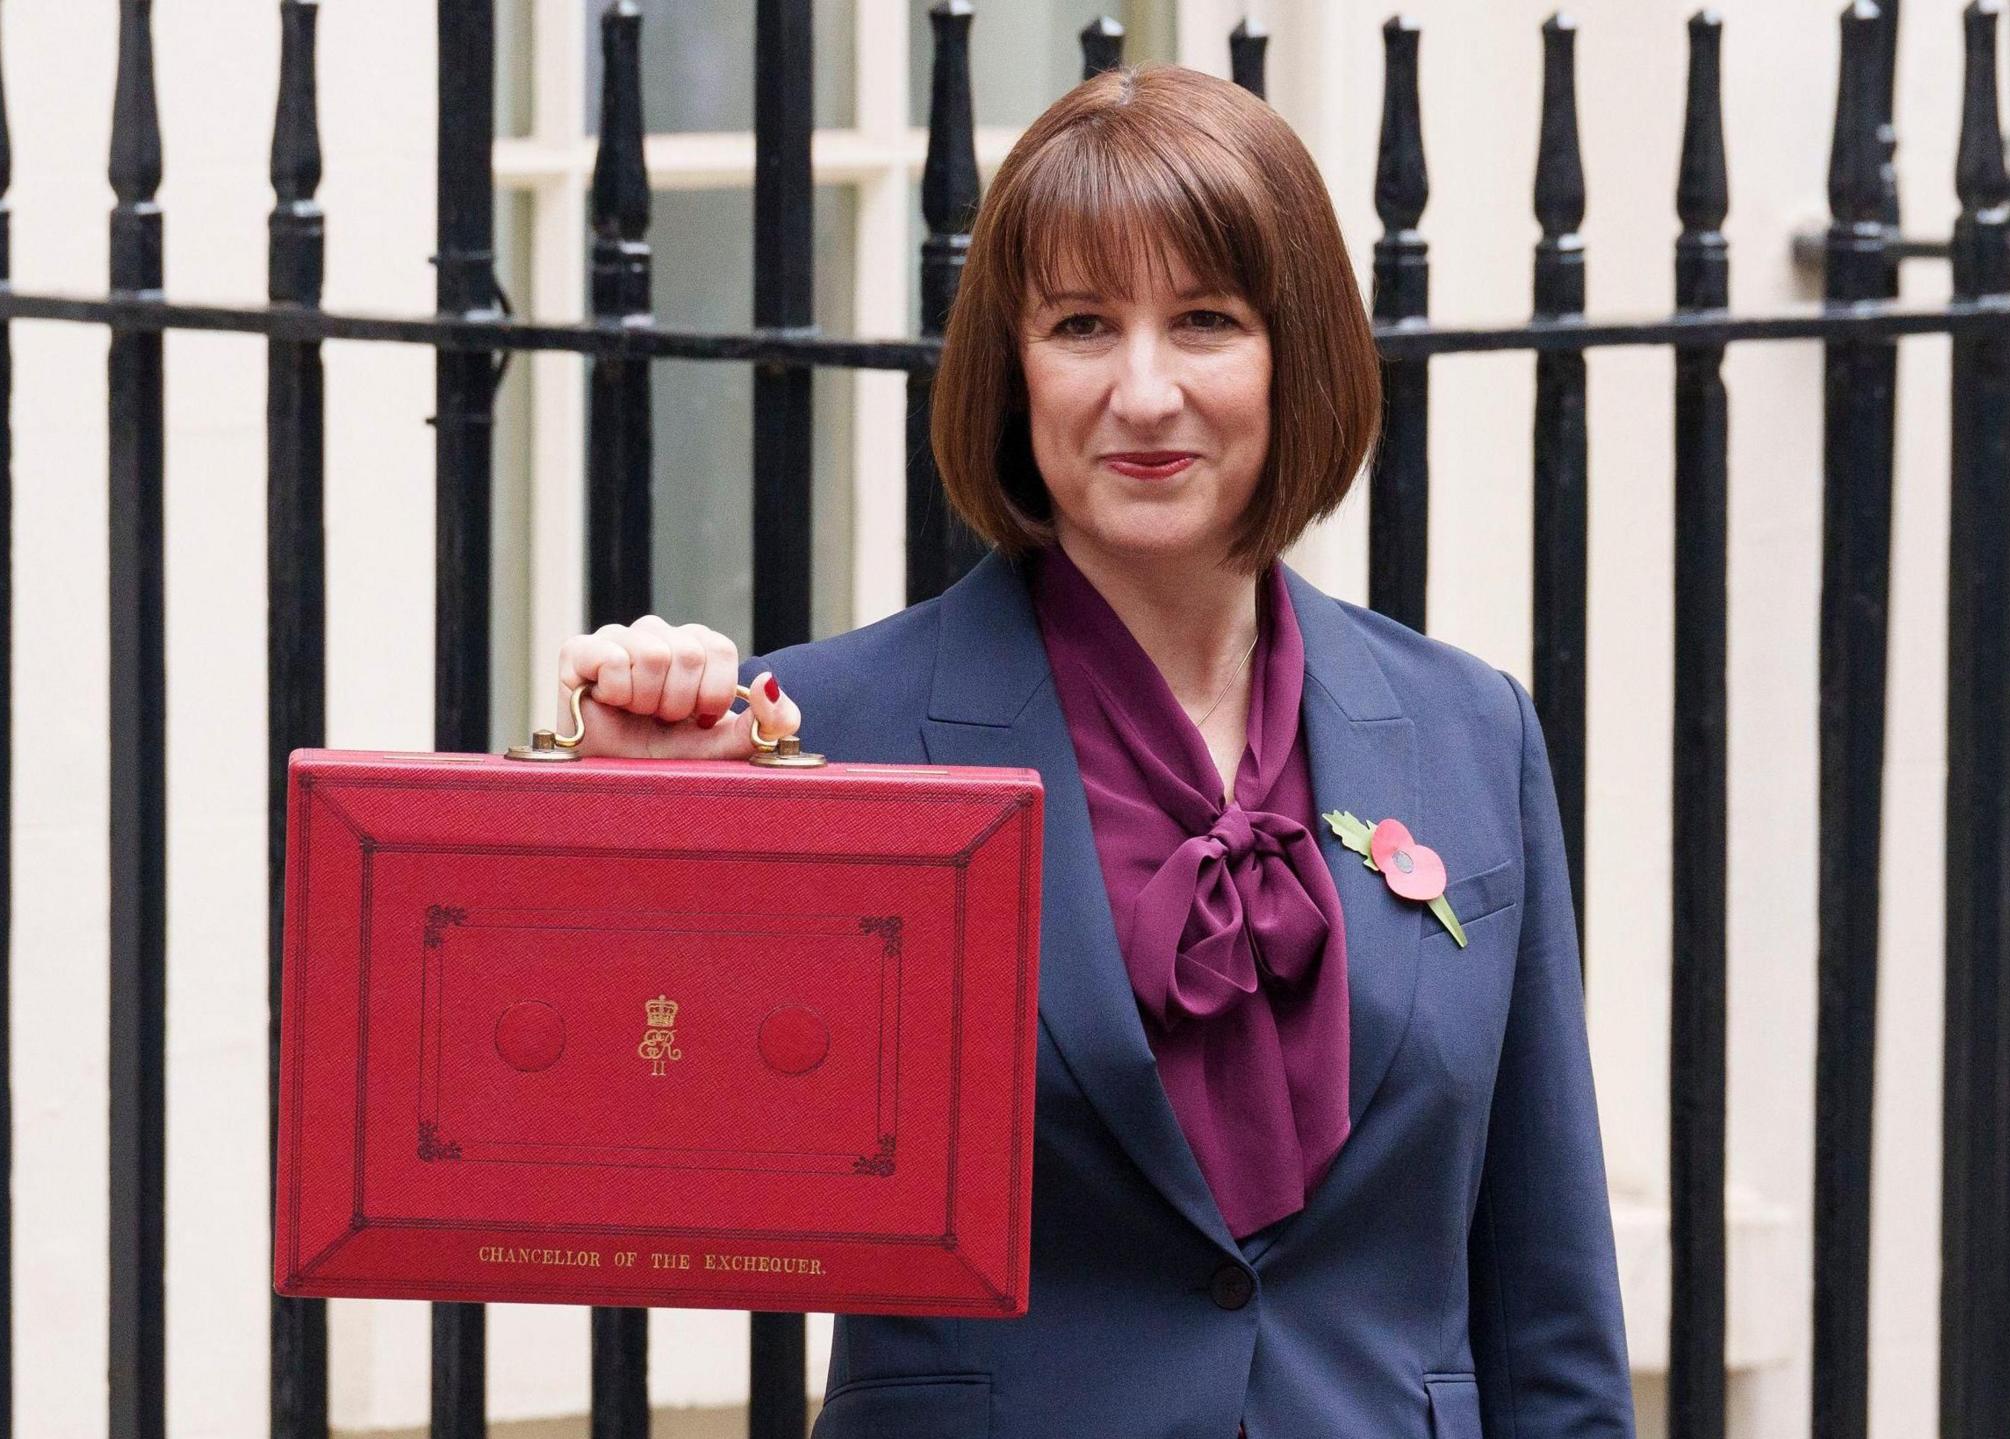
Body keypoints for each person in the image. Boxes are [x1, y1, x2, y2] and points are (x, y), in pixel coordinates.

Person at [554, 64, 1633, 1439]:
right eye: (1079, 323)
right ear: (1011, 370)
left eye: (1203, 322)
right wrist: (626, 818)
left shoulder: (1475, 733)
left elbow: (1549, 1304)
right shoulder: (818, 739)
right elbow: (607, 1128)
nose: (1143, 391)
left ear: (1291, 352)